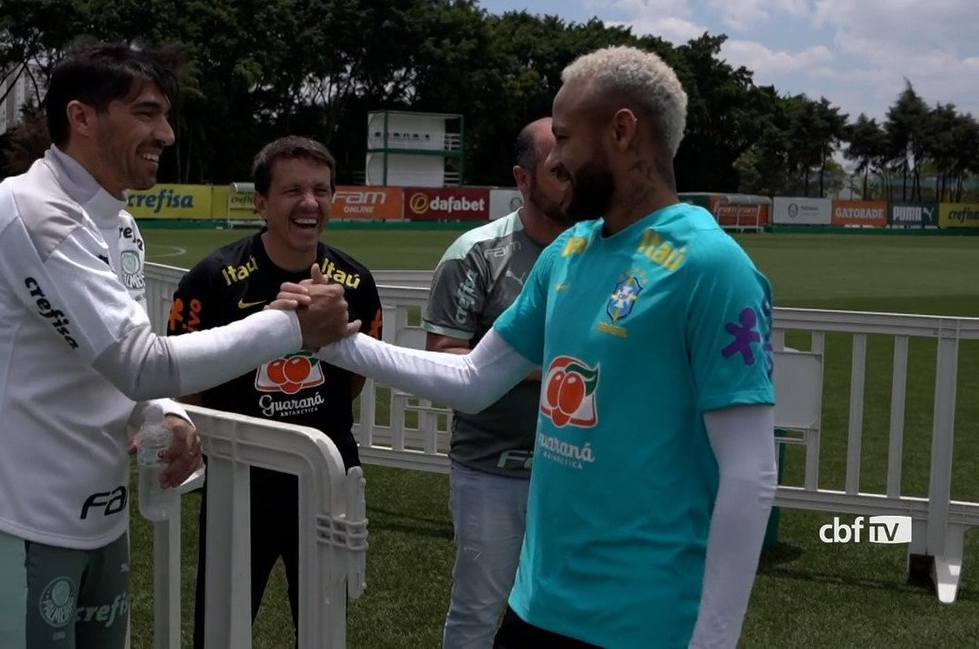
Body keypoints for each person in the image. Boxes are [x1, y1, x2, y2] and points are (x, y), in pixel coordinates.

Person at [305, 46, 778, 648]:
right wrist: (339, 344)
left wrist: (712, 641)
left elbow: (751, 473)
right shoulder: (570, 252)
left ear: (623, 131)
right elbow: (475, 378)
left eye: (564, 137)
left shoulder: (711, 267)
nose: (559, 158)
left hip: (645, 622)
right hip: (538, 607)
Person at [0, 45, 355, 649]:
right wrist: (291, 327)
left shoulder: (119, 224)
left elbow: (113, 356)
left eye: (165, 116)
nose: (165, 133)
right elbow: (141, 363)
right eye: (147, 113)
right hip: (8, 511)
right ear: (83, 117)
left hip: (95, 511)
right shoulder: (35, 211)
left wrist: (163, 413)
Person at [168, 135, 383, 647]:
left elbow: (352, 383)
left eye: (321, 189)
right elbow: (184, 385)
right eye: (292, 191)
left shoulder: (354, 281)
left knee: (324, 627)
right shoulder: (213, 279)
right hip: (240, 483)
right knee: (220, 626)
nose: (309, 203)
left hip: (326, 479)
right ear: (261, 202)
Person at [423, 117, 574, 649]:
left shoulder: (603, 251)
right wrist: (560, 363)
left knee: (566, 616)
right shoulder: (477, 254)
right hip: (493, 468)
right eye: (558, 169)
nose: (573, 178)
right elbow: (444, 358)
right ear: (523, 178)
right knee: (478, 616)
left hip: (579, 473)